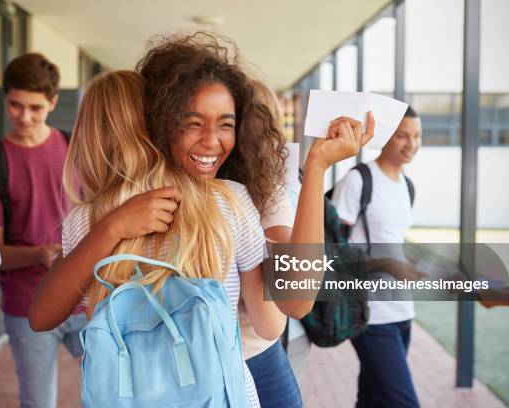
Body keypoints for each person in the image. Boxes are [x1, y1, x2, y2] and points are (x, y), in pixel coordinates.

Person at [136, 32, 374, 407]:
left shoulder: (252, 193)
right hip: (163, 370)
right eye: (193, 121)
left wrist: (316, 168)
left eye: (227, 123)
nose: (211, 139)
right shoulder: (138, 195)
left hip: (251, 360)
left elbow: (294, 300)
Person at [30, 70, 286, 406]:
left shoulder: (85, 221)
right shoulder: (228, 200)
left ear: (88, 137)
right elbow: (273, 324)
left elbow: (41, 318)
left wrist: (111, 229)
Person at [0, 53, 85, 408]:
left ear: (52, 102)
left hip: (84, 298)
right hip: (27, 307)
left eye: (35, 107)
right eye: (15, 106)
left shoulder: (74, 150)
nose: (24, 117)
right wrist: (39, 254)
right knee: (38, 402)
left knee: (114, 392)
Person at [332, 106, 422, 408]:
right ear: (384, 137)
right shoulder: (359, 180)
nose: (411, 144)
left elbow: (392, 242)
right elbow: (332, 249)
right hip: (371, 314)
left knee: (372, 400)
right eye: (402, 136)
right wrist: (387, 265)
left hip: (402, 311)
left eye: (417, 136)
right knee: (402, 402)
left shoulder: (407, 186)